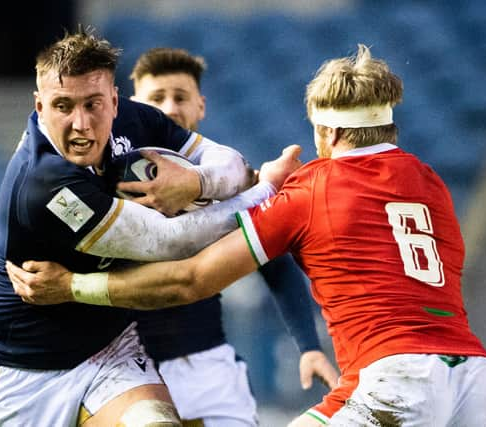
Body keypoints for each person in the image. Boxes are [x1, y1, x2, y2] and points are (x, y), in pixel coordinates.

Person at [9, 44, 486, 426]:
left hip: (396, 380)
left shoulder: (311, 186)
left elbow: (190, 280)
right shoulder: (431, 182)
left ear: (330, 133)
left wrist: (73, 286)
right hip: (477, 379)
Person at [0, 27, 302, 427]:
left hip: (111, 350)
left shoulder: (132, 119)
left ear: (114, 100)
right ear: (39, 107)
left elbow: (230, 163)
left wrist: (197, 182)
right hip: (26, 370)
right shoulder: (42, 184)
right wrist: (267, 190)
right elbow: (172, 242)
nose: (80, 124)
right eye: (63, 106)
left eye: (93, 104)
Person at [129, 47, 337, 426]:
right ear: (130, 107)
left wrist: (308, 345)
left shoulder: (229, 180)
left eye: (181, 97)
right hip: (129, 370)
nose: (170, 108)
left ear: (201, 106)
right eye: (156, 98)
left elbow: (274, 262)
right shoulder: (108, 182)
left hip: (208, 364)